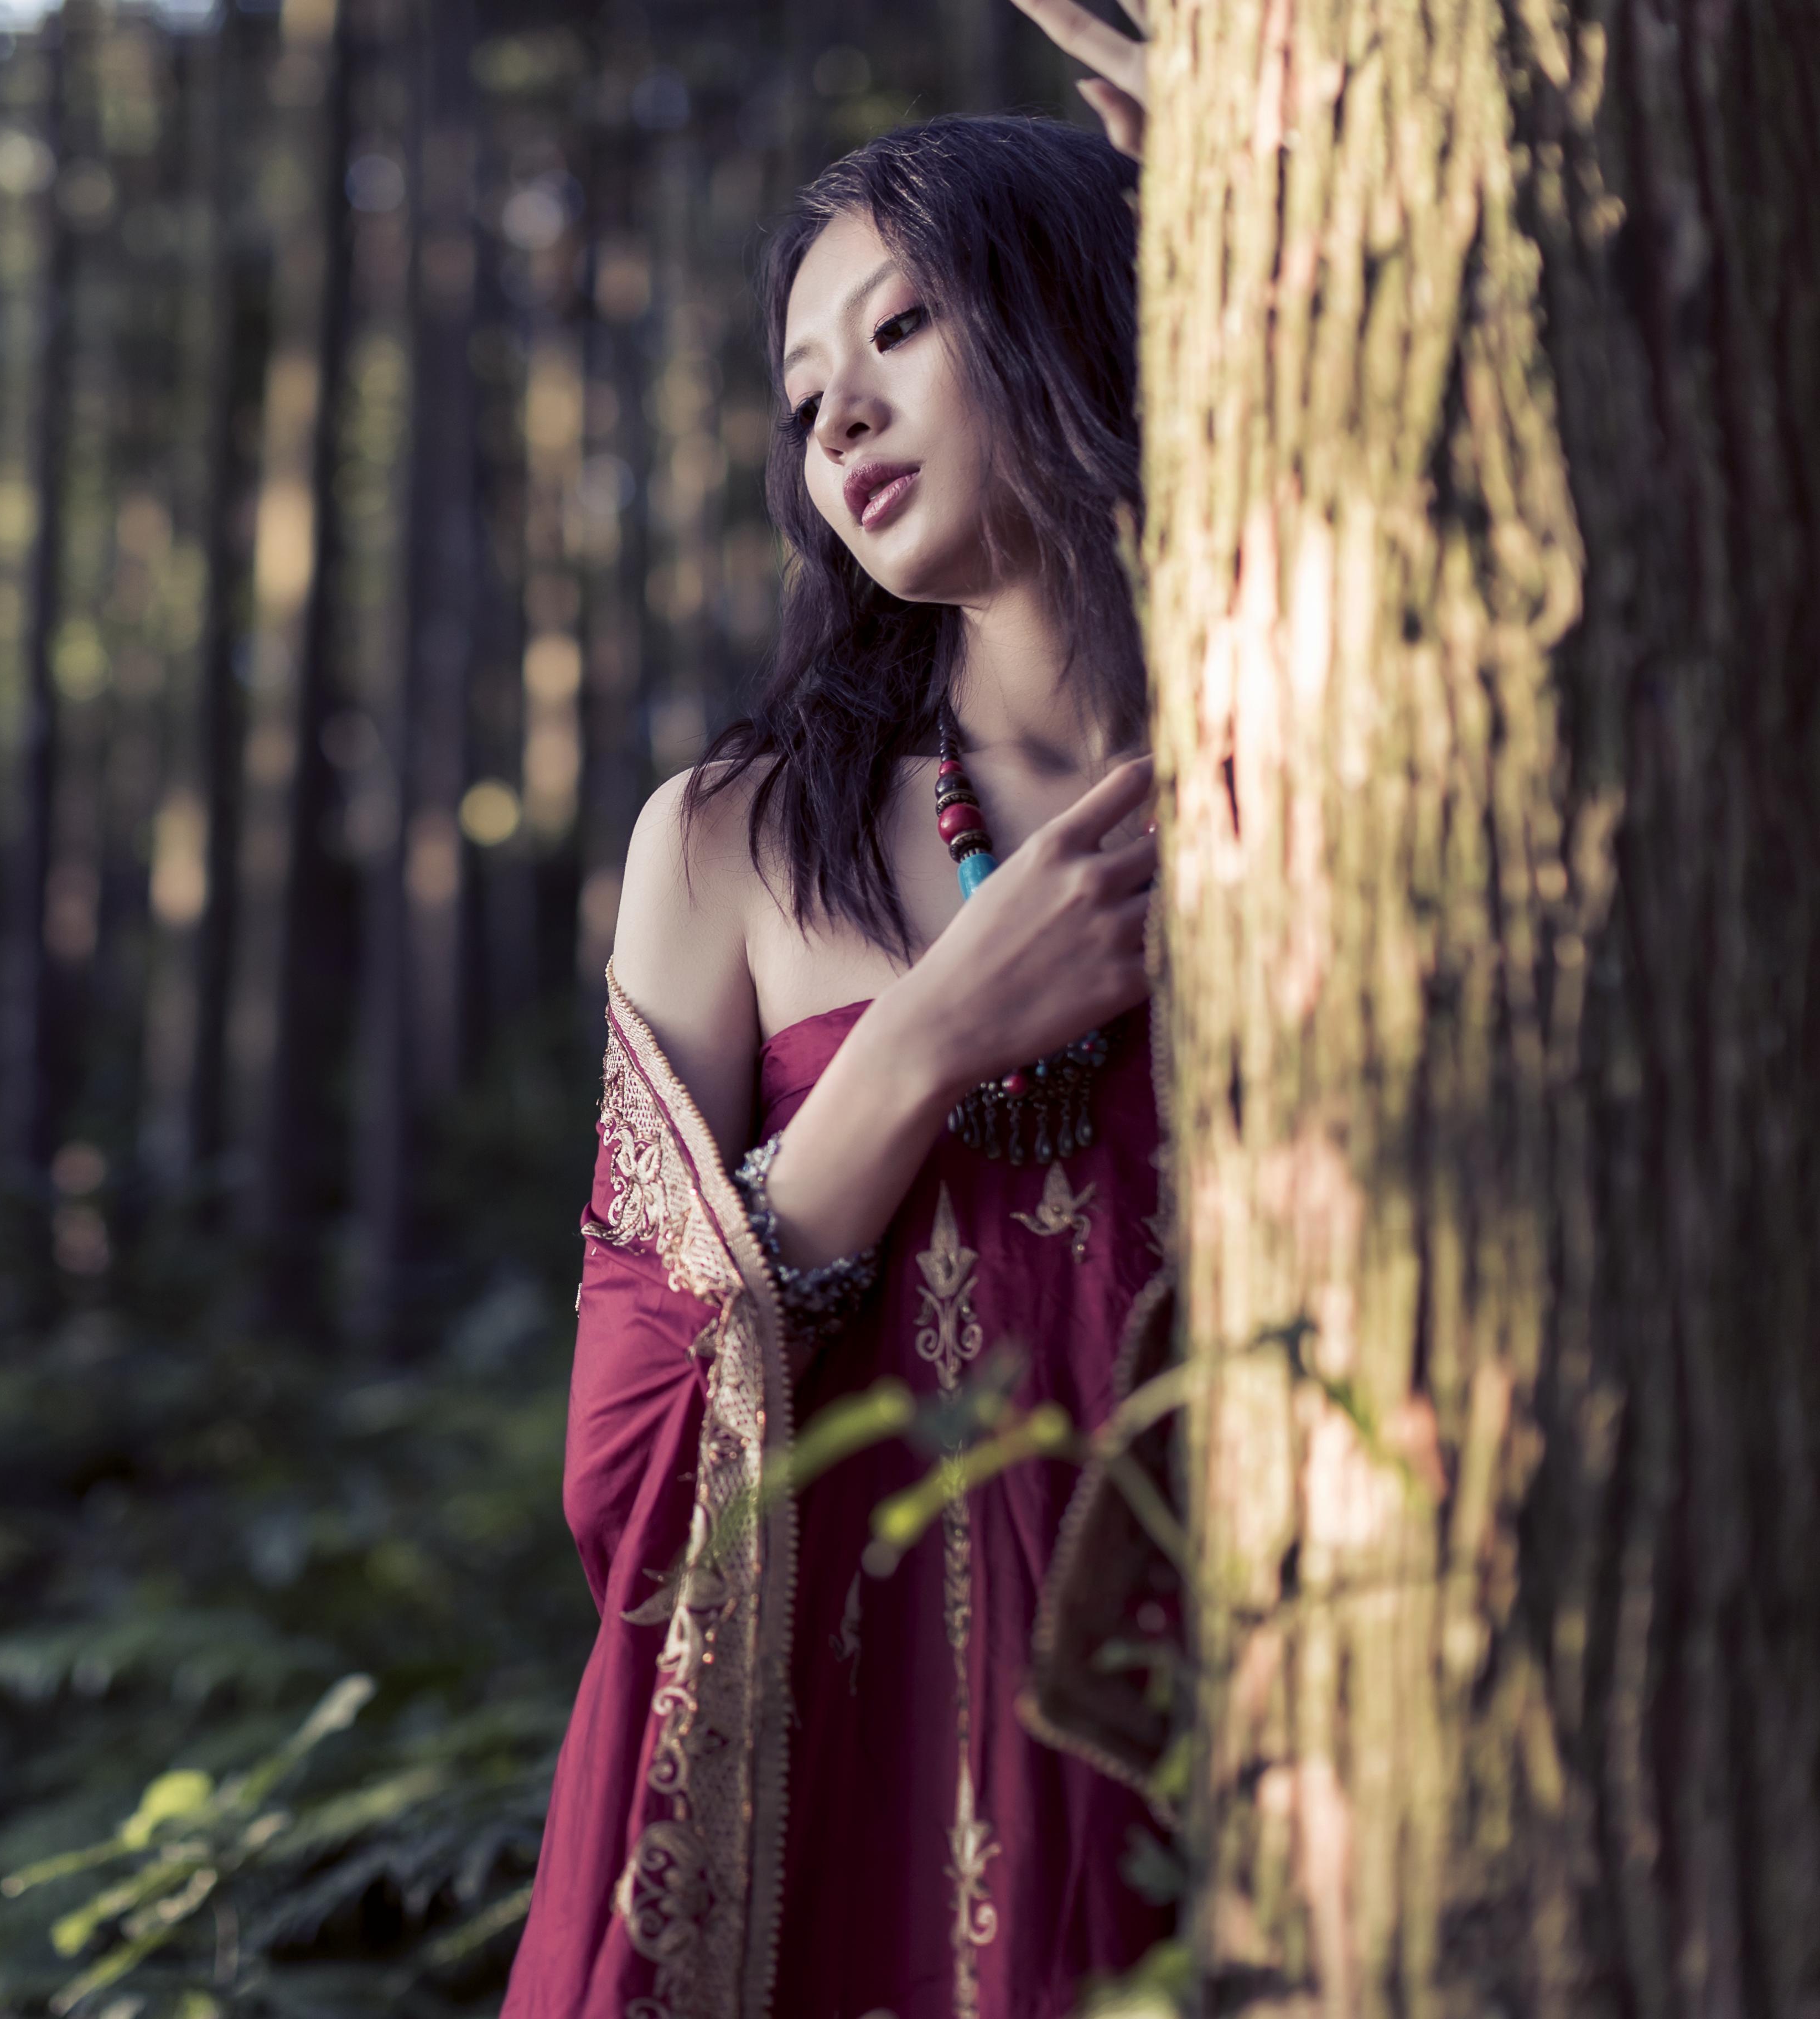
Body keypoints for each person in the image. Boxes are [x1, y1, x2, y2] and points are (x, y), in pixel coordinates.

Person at [501, 61, 1183, 2019]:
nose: (843, 417)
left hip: (1234, 1699)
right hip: (855, 1778)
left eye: (899, 327)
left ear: (1085, 307)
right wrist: (917, 1054)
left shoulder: (1306, 772)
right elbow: (620, 1472)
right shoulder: (728, 842)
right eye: (805, 396)